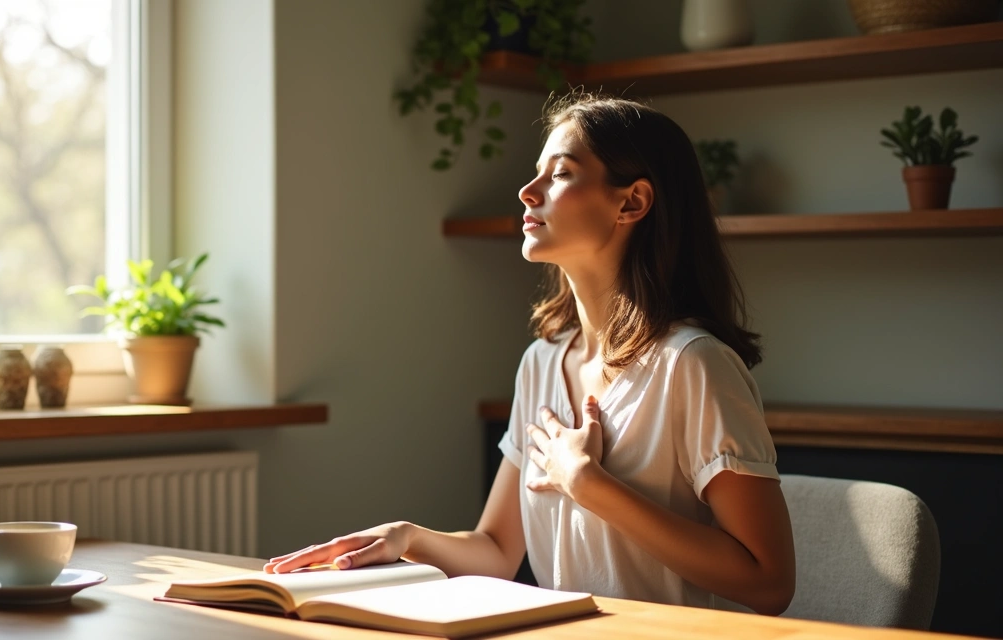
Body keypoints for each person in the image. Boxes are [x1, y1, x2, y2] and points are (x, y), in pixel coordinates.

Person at [265, 94, 796, 615]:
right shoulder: (541, 363)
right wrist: (405, 538)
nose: (526, 191)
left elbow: (769, 583)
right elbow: (496, 552)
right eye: (536, 172)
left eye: (560, 174)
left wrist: (589, 485)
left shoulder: (693, 365)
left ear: (631, 202)